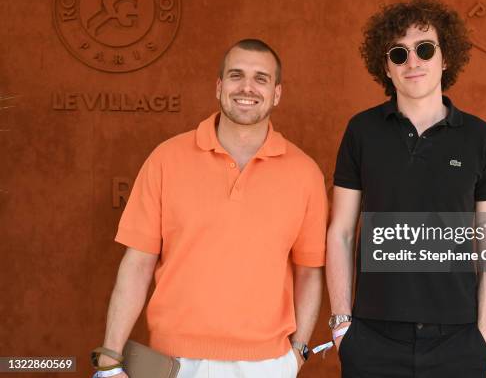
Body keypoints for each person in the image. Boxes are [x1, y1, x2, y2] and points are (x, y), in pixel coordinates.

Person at [93, 39, 327, 378]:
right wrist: (110, 359)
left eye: (261, 78)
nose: (247, 87)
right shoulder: (166, 159)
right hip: (173, 362)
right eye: (236, 75)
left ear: (277, 93)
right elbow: (137, 263)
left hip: (266, 365)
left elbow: (309, 271)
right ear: (219, 86)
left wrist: (298, 352)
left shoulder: (305, 173)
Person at [326, 0, 486, 377]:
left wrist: (483, 340)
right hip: (371, 338)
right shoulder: (361, 131)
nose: (413, 62)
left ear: (446, 58)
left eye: (425, 49)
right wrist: (342, 325)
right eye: (398, 53)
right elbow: (340, 233)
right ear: (386, 68)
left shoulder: (481, 139)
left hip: (457, 341)